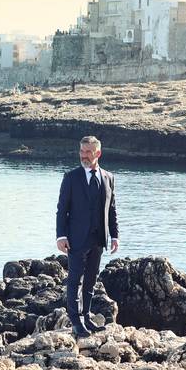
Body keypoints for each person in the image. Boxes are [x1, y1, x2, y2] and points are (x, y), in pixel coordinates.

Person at [56, 135, 119, 338]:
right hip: (76, 237)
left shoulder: (108, 177)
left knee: (91, 279)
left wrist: (115, 236)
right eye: (82, 151)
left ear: (98, 153)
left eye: (88, 152)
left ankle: (86, 316)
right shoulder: (71, 177)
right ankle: (75, 321)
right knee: (75, 280)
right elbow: (61, 210)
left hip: (99, 237)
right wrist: (61, 236)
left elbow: (112, 209)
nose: (84, 155)